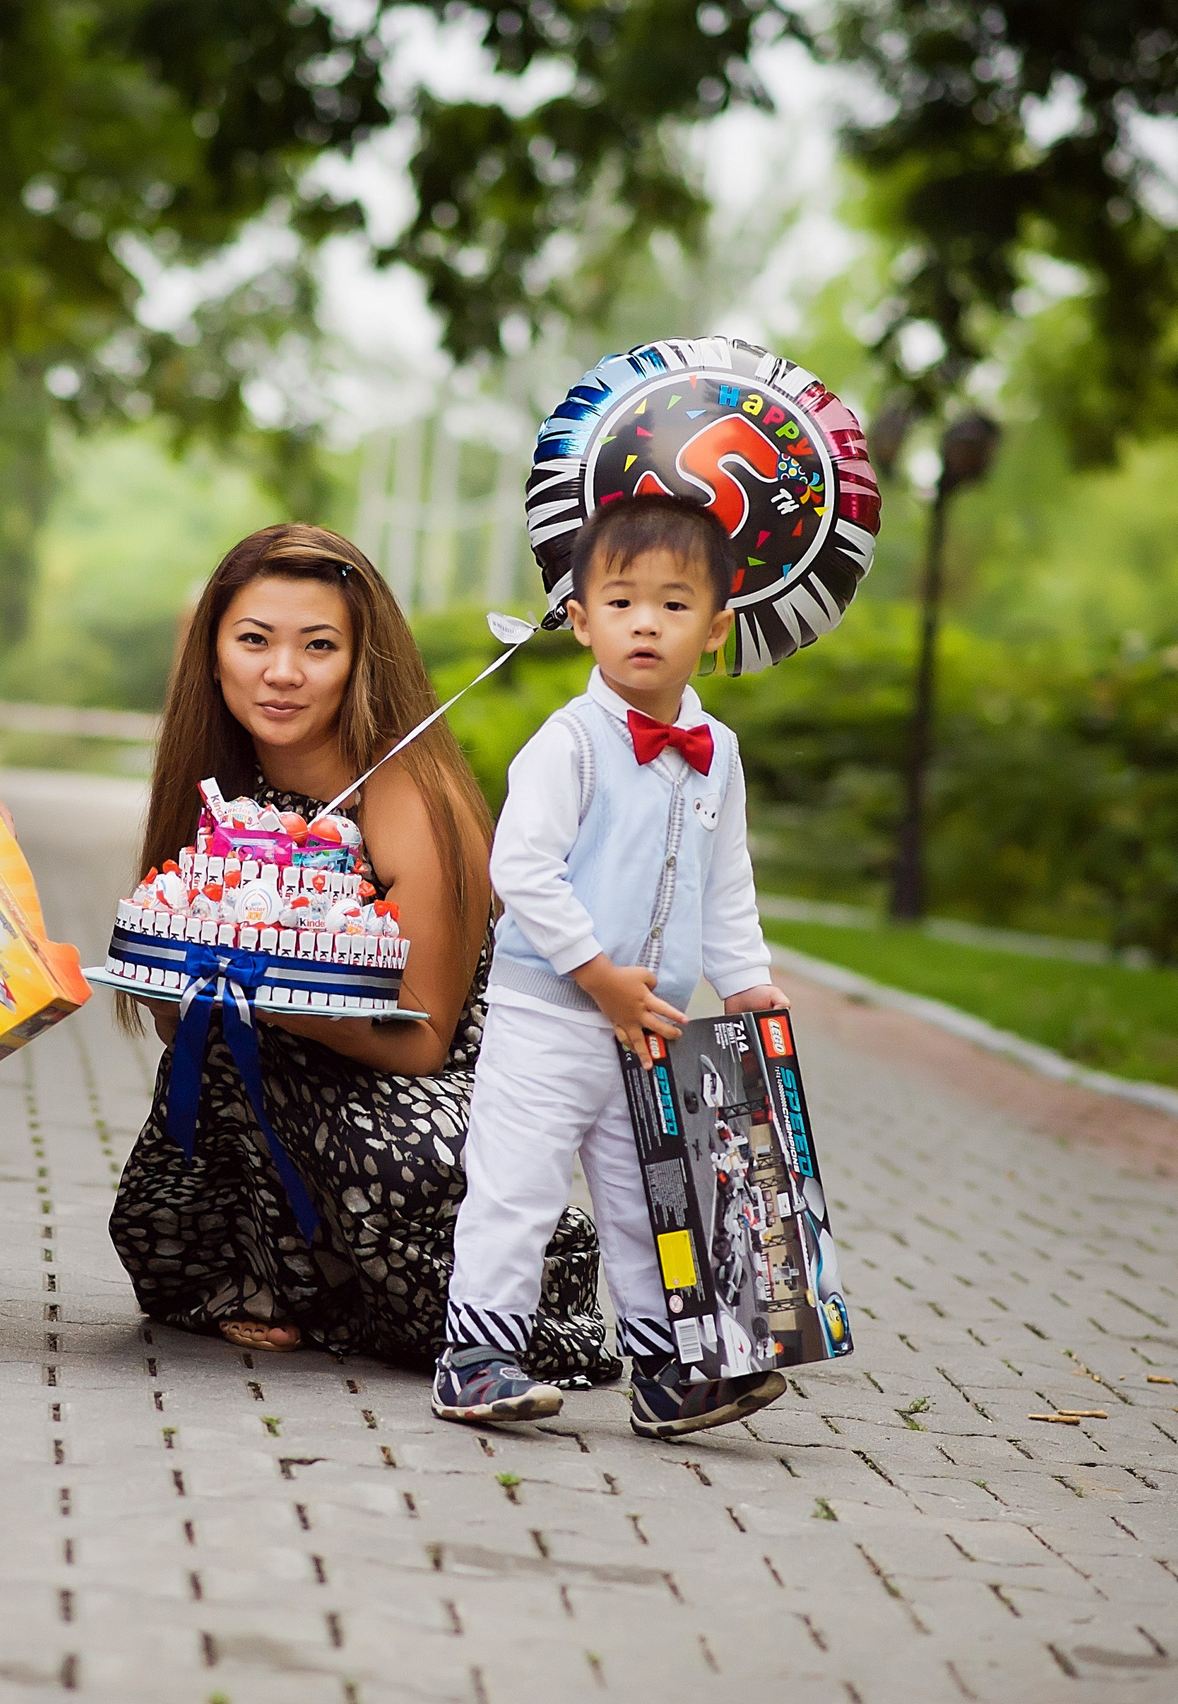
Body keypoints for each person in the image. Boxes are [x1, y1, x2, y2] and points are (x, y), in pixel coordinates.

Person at [107, 525, 614, 1380]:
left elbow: (424, 1042)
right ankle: (286, 1271)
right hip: (264, 1097)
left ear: (361, 660)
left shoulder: (408, 788)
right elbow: (175, 1029)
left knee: (401, 1196)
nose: (282, 673)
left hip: (422, 1094)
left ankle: (367, 1292)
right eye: (254, 640)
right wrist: (189, 980)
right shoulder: (222, 790)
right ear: (215, 652)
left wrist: (280, 999)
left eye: (319, 646)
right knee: (164, 1245)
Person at [432, 493, 794, 1438]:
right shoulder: (571, 743)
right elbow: (519, 866)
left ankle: (668, 1369)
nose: (646, 623)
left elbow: (727, 882)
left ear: (716, 629)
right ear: (581, 619)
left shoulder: (719, 754)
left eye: (675, 606)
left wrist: (746, 978)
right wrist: (596, 970)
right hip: (553, 1011)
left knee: (654, 1198)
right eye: (622, 601)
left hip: (654, 1027)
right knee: (519, 1181)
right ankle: (476, 1357)